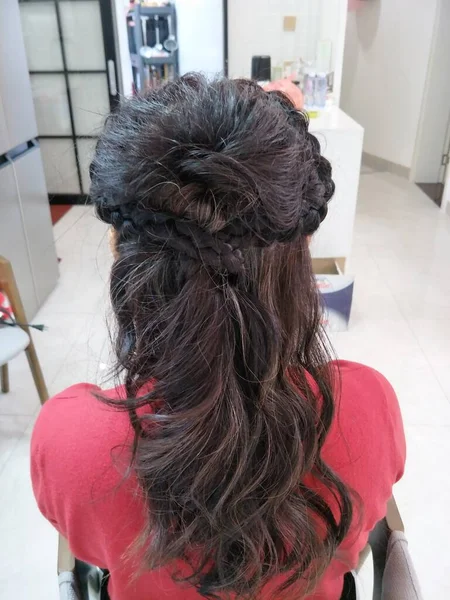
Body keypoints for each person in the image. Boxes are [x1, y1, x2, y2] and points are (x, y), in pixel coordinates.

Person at [31, 75, 405, 600]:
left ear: (120, 249)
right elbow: (359, 543)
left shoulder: (69, 440)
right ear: (302, 251)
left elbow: (91, 557)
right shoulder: (368, 409)